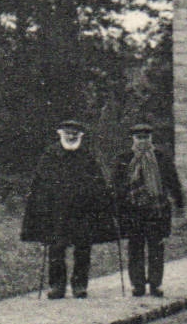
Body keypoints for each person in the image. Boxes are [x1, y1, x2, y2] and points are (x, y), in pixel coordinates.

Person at [20, 120, 119, 299]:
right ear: (61, 134)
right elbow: (40, 182)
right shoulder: (50, 155)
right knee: (56, 247)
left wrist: (101, 201)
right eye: (68, 133)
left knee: (83, 248)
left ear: (80, 136)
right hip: (57, 210)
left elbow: (97, 181)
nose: (71, 136)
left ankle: (79, 285)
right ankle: (57, 286)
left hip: (82, 210)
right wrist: (43, 205)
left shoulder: (87, 155)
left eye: (75, 133)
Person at [116, 123, 186, 298]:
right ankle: (138, 285)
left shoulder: (161, 158)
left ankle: (155, 284)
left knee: (156, 247)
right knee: (135, 248)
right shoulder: (124, 158)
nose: (142, 141)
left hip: (157, 209)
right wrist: (116, 206)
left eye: (146, 138)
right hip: (132, 211)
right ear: (133, 139)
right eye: (139, 138)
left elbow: (172, 181)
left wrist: (179, 203)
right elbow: (116, 184)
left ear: (150, 139)